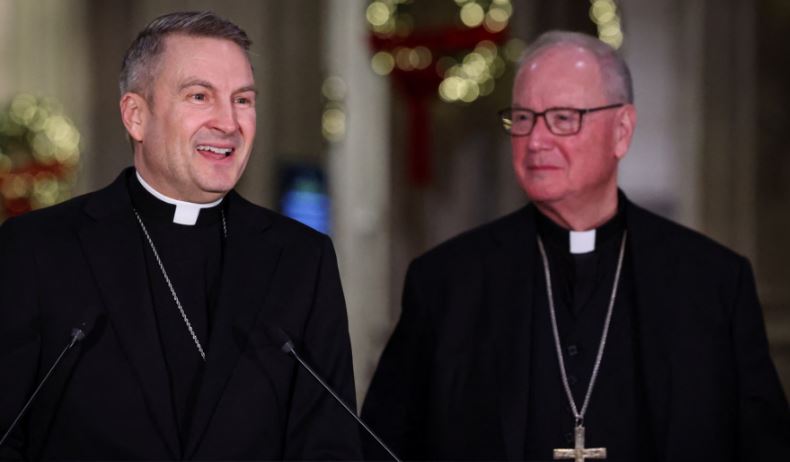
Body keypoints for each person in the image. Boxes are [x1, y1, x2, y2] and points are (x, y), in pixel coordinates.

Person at [362, 30, 790, 461]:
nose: (535, 141)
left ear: (622, 130)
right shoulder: (446, 284)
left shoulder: (712, 284)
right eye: (523, 118)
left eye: (563, 118)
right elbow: (382, 448)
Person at [0, 11, 361, 460]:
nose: (228, 122)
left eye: (243, 100)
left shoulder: (301, 259)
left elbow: (330, 445)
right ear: (136, 116)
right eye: (199, 96)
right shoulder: (38, 249)